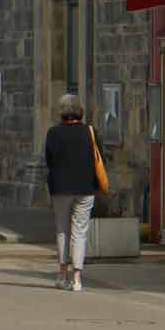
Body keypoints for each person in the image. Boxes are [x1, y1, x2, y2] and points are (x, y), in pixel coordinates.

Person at [44, 91, 102, 291]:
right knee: (80, 232)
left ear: (61, 112)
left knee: (62, 230)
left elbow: (49, 160)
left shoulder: (53, 133)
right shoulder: (90, 132)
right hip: (85, 187)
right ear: (80, 111)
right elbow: (99, 158)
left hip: (60, 188)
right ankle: (77, 278)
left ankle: (62, 274)